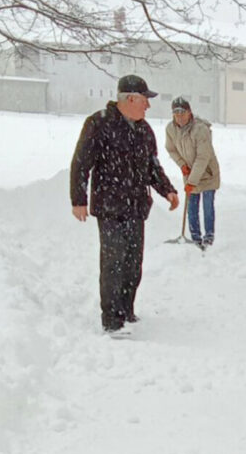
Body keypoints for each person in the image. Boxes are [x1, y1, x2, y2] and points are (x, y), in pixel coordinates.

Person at [70, 74, 179, 335]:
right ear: (130, 99)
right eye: (144, 100)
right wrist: (78, 199)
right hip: (109, 207)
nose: (148, 106)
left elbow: (152, 167)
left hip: (136, 207)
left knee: (132, 264)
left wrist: (167, 190)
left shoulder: (144, 130)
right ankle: (112, 320)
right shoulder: (99, 123)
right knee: (113, 263)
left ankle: (127, 309)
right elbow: (81, 163)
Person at [165, 97, 220, 250]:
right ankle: (195, 237)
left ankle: (208, 237)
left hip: (208, 173)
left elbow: (203, 157)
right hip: (190, 172)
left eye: (182, 112)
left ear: (189, 113)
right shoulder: (171, 129)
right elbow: (171, 149)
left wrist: (192, 182)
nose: (179, 116)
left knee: (207, 205)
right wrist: (182, 165)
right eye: (175, 113)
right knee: (192, 206)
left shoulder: (200, 130)